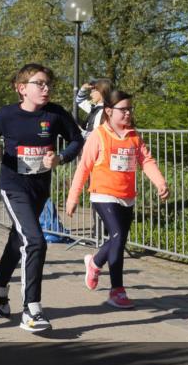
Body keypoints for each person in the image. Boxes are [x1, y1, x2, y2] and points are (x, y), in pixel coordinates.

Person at [0, 63, 83, 332]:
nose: (46, 88)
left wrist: (60, 157)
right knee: (35, 240)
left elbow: (76, 140)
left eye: (48, 84)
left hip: (39, 189)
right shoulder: (7, 115)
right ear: (22, 88)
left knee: (19, 239)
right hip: (13, 186)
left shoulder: (55, 114)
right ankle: (32, 309)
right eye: (40, 83)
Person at [65, 90, 169, 308]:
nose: (128, 113)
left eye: (130, 109)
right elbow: (83, 167)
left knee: (118, 239)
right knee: (118, 236)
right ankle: (117, 290)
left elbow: (146, 161)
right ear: (109, 111)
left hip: (127, 196)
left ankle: (95, 263)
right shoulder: (99, 135)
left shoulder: (133, 136)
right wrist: (73, 197)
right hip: (103, 194)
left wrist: (160, 183)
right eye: (123, 110)